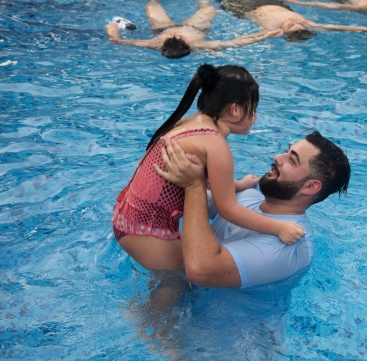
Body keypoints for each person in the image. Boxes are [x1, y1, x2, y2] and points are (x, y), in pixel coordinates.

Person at [112, 64, 306, 271]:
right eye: (254, 108)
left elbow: (207, 180)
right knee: (178, 282)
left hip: (129, 215)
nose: (256, 116)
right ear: (235, 109)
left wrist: (239, 185)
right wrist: (279, 228)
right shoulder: (215, 144)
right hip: (145, 230)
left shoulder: (191, 122)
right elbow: (229, 210)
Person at [154, 130, 351, 288]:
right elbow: (178, 201)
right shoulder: (250, 195)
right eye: (287, 151)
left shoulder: (290, 246)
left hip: (229, 335)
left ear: (310, 187)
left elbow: (200, 270)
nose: (278, 157)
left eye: (292, 159)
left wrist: (193, 184)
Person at [104, 0, 282, 58]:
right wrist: (265, 35)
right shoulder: (201, 44)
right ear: (189, 44)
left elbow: (117, 40)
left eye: (173, 36)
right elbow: (236, 42)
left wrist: (112, 29)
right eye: (177, 37)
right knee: (209, 9)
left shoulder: (153, 42)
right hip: (195, 28)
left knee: (151, 5)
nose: (176, 34)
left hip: (162, 29)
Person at [222, 4, 367, 41]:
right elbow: (343, 28)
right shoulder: (309, 23)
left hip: (245, 7)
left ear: (284, 31)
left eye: (290, 24)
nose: (292, 20)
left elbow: (244, 39)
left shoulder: (271, 30)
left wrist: (265, 36)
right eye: (296, 22)